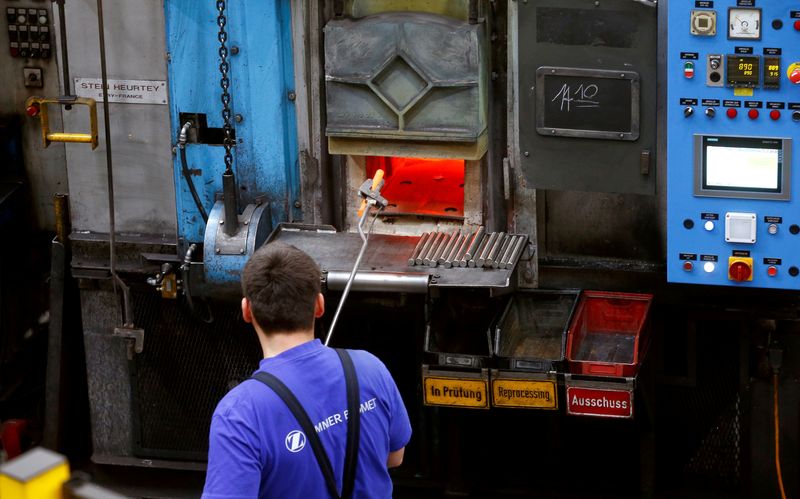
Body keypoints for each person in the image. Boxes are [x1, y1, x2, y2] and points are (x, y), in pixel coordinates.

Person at [202, 242, 412, 499]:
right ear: (319, 305)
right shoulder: (371, 368)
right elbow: (395, 456)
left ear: (247, 311)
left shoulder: (240, 413)